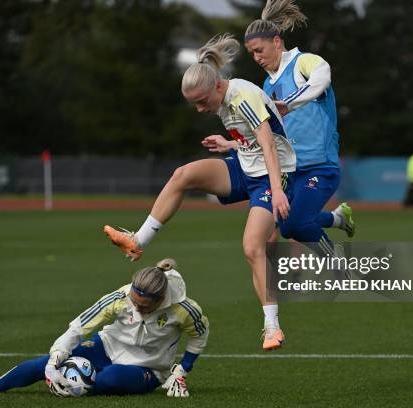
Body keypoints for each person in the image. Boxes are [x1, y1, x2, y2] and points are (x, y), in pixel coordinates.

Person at [105, 33, 295, 351]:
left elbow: (269, 146)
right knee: (184, 175)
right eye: (194, 103)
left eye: (202, 101)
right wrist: (229, 143)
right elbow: (257, 133)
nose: (199, 109)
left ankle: (272, 326)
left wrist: (277, 191)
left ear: (218, 86)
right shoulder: (224, 98)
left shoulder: (240, 96)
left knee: (252, 247)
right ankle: (138, 241)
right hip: (245, 167)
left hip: (273, 177)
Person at [0, 259, 207, 398]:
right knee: (43, 363)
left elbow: (199, 335)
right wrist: (56, 360)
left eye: (143, 306)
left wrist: (182, 370)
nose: (136, 306)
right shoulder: (120, 298)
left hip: (148, 368)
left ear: (159, 300)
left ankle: (76, 385)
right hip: (106, 348)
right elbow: (79, 326)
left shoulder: (183, 309)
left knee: (110, 379)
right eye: (134, 300)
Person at [239, 0, 354, 249]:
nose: (257, 58)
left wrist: (288, 104)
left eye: (260, 50)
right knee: (283, 223)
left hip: (319, 167)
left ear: (277, 42)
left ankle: (337, 262)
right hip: (290, 172)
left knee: (295, 225)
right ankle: (337, 219)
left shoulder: (302, 62)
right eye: (252, 54)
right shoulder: (267, 85)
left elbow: (322, 75)